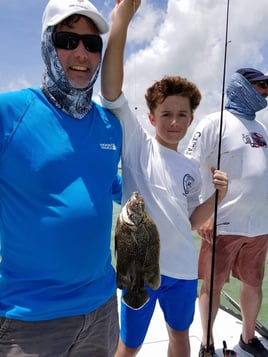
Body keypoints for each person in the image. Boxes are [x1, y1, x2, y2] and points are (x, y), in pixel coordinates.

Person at [100, 1, 229, 356]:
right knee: (130, 343)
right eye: (166, 114)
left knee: (179, 335)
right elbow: (111, 92)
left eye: (182, 115)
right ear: (152, 117)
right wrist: (121, 20)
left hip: (184, 272)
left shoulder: (190, 167)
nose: (174, 122)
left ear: (191, 120)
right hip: (140, 272)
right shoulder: (139, 147)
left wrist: (216, 199)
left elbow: (191, 220)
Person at [0, 0, 123, 356]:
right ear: (47, 45)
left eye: (91, 43)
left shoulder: (110, 125)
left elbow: (114, 189)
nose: (81, 53)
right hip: (29, 320)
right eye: (67, 40)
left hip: (102, 307)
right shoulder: (10, 113)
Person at [185, 68, 268, 357]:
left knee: (254, 283)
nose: (266, 91)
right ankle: (207, 343)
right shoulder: (213, 122)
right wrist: (201, 213)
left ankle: (248, 338)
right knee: (212, 285)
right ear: (242, 86)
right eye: (262, 85)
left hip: (259, 226)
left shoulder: (262, 128)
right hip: (222, 224)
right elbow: (189, 167)